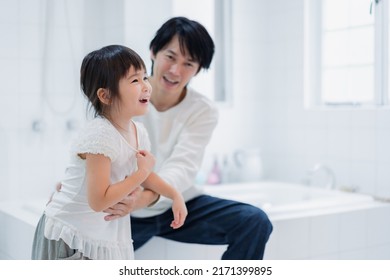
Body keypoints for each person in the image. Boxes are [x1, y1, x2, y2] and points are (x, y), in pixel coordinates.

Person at [104, 17, 273, 260]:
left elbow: (182, 165)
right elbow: (101, 149)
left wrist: (148, 198)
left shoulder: (202, 110)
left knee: (254, 221)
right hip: (127, 211)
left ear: (198, 69)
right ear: (153, 52)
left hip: (179, 204)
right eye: (170, 57)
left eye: (188, 63)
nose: (175, 71)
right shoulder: (123, 96)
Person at [31, 45, 187, 260]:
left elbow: (146, 174)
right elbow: (99, 201)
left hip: (98, 234)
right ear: (105, 95)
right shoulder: (100, 134)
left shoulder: (137, 131)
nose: (146, 86)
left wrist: (174, 195)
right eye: (135, 80)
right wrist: (140, 174)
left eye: (144, 77)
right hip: (68, 235)